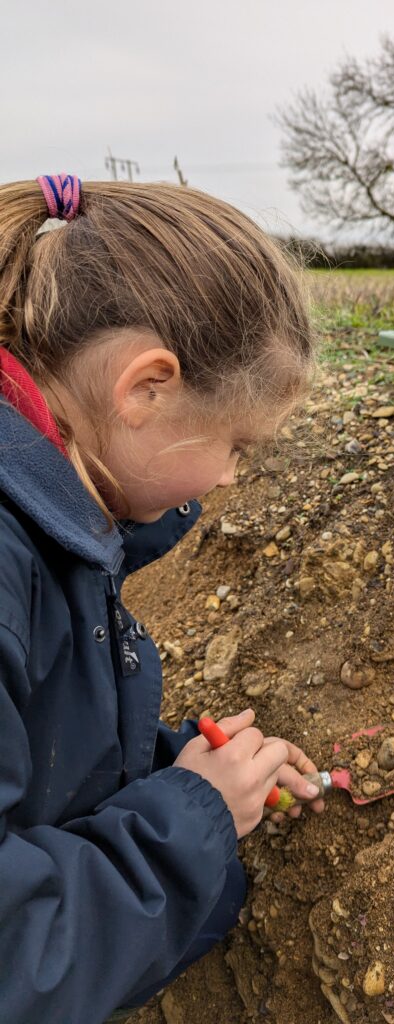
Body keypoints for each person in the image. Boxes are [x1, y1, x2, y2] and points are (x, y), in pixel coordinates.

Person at [0, 174, 325, 1023]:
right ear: (147, 387)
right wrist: (190, 815)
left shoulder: (48, 494)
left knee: (209, 895)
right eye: (235, 445)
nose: (227, 477)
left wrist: (175, 767)